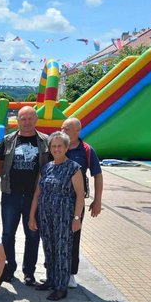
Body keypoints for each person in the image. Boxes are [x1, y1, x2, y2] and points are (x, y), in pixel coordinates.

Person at [29, 131, 85, 301]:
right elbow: (37, 193)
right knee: (49, 247)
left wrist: (77, 219)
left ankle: (61, 286)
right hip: (45, 214)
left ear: (66, 147)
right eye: (53, 146)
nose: (56, 149)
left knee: (62, 250)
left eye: (60, 145)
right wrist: (32, 216)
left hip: (64, 216)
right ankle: (51, 280)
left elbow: (80, 195)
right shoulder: (46, 167)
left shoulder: (74, 168)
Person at [0, 105, 50, 286]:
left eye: (30, 118)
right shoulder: (7, 140)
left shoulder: (45, 141)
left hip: (34, 197)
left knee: (33, 234)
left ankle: (29, 272)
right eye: (23, 118)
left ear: (36, 120)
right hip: (11, 195)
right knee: (7, 234)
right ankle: (9, 268)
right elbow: (1, 165)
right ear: (18, 120)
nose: (27, 122)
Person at [61, 117, 103, 289]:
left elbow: (97, 175)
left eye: (67, 130)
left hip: (75, 201)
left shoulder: (86, 150)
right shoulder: (56, 146)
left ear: (78, 131)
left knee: (73, 235)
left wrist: (97, 200)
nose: (63, 132)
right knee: (53, 235)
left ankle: (70, 273)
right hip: (54, 200)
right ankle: (51, 269)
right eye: (62, 128)